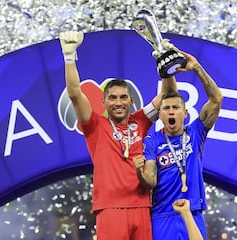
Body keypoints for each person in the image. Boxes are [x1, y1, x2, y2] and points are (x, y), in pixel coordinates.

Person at [58, 31, 178, 240]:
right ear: (103, 103)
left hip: (141, 206)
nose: (118, 102)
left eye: (123, 97)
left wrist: (165, 63)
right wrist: (69, 57)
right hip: (110, 209)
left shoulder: (140, 121)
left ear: (131, 101)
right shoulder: (94, 125)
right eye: (112, 98)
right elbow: (75, 93)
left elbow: (168, 96)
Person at [133, 47, 223, 239]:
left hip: (193, 212)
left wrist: (197, 67)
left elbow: (216, 99)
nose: (171, 111)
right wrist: (139, 173)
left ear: (185, 113)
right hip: (162, 216)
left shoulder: (196, 132)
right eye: (166, 108)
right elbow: (151, 180)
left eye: (175, 107)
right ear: (160, 115)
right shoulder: (152, 142)